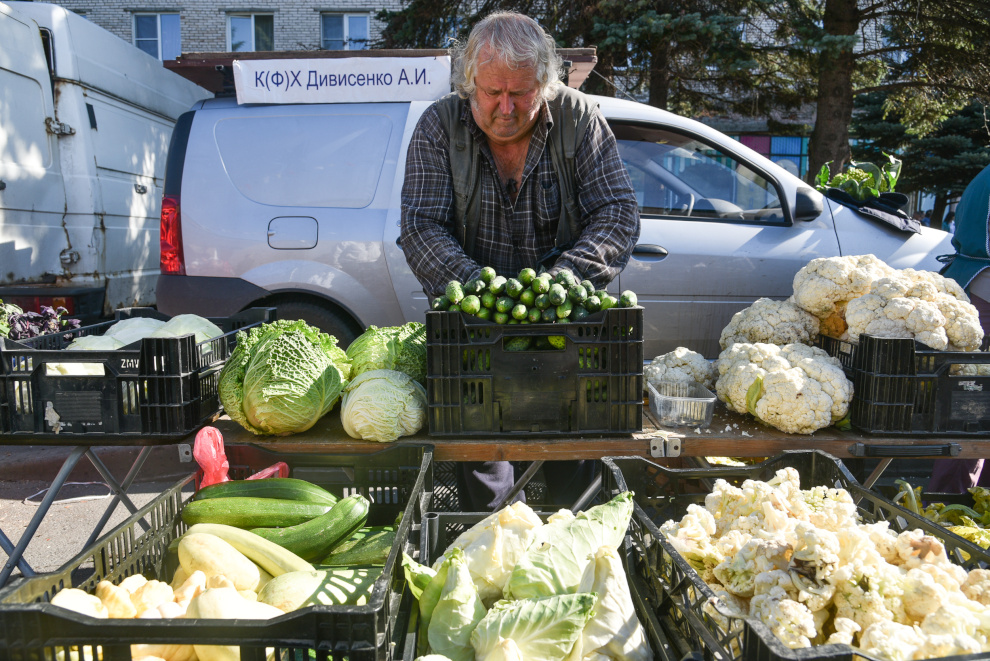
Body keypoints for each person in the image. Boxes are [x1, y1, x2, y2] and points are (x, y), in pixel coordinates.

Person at [399, 11, 640, 511]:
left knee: (575, 475)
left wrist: (562, 283)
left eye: (521, 93)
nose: (505, 108)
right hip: (474, 340)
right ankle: (497, 546)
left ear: (545, 85)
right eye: (492, 92)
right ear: (470, 84)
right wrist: (482, 292)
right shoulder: (438, 127)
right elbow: (421, 227)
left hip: (571, 334)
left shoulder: (579, 119)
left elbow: (617, 213)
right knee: (486, 484)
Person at [930, 163, 990, 492]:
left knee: (972, 407)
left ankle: (961, 498)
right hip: (984, 293)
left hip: (972, 286)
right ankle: (949, 500)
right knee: (973, 409)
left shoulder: (984, 175)